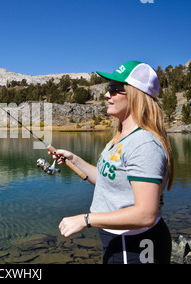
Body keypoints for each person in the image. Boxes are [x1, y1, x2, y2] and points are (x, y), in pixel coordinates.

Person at [50, 61, 174, 264]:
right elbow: (109, 182)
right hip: (118, 241)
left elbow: (145, 214)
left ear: (136, 95)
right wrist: (75, 160)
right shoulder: (120, 138)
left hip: (136, 245)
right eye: (109, 89)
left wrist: (86, 220)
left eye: (115, 90)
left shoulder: (144, 144)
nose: (107, 95)